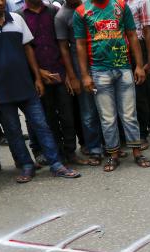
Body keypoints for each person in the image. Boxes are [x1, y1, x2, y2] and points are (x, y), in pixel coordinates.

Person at [0, 0, 81, 182]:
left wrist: (37, 78)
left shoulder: (16, 19)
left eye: (1, 0)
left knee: (41, 125)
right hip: (0, 90)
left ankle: (56, 164)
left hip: (25, 85)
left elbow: (28, 49)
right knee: (13, 130)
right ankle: (26, 165)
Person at [74, 0, 150, 171]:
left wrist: (139, 65)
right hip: (99, 71)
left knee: (129, 114)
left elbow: (132, 35)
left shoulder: (121, 6)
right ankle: (113, 155)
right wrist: (85, 75)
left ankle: (137, 152)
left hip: (123, 68)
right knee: (107, 118)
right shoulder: (81, 11)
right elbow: (80, 44)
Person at [23, 0, 89, 166]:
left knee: (68, 115)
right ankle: (57, 155)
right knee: (49, 118)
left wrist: (68, 73)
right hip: (39, 77)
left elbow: (63, 43)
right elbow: (23, 49)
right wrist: (37, 72)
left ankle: (70, 152)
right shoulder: (19, 16)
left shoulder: (53, 11)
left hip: (60, 72)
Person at [55, 0, 104, 165]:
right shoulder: (61, 16)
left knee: (105, 107)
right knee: (88, 110)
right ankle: (94, 148)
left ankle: (110, 145)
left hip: (100, 60)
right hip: (79, 67)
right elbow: (63, 47)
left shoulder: (91, 6)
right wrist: (72, 76)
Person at [127, 0, 150, 143]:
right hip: (122, 46)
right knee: (137, 90)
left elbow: (148, 31)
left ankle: (146, 129)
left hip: (139, 46)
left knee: (142, 89)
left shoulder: (142, 1)